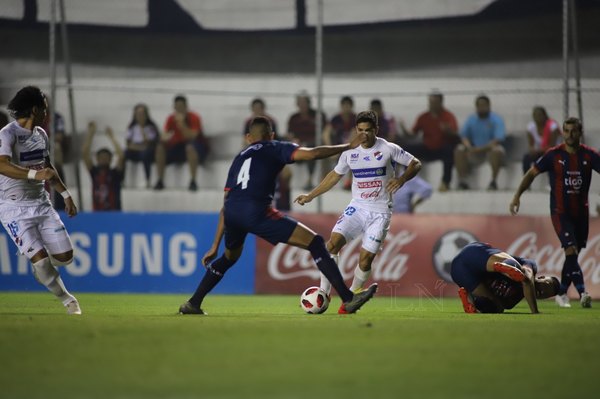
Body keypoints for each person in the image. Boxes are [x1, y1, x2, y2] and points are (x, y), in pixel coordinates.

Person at [179, 116, 378, 315]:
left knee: (228, 257)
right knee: (316, 242)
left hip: (232, 212)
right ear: (271, 135)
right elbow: (313, 154)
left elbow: (226, 202)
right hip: (256, 212)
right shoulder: (274, 147)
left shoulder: (239, 158)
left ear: (249, 137)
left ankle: (193, 303)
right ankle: (348, 298)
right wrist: (347, 146)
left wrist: (215, 245)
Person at [295, 110, 422, 296]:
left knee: (365, 260)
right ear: (356, 129)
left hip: (380, 212)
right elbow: (334, 176)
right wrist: (311, 195)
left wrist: (402, 179)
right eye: (360, 130)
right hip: (357, 207)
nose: (364, 134)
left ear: (376, 129)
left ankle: (352, 296)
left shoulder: (388, 148)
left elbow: (416, 163)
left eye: (369, 130)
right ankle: (324, 292)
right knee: (331, 245)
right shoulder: (349, 152)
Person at [0, 86, 81, 314]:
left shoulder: (41, 134)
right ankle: (68, 300)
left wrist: (65, 194)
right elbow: (1, 164)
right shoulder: (7, 134)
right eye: (45, 108)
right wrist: (35, 175)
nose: (47, 112)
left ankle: (41, 269)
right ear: (35, 109)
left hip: (42, 204)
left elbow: (47, 167)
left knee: (65, 257)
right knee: (43, 262)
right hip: (13, 208)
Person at [510, 117, 599, 308]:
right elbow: (532, 173)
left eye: (573, 131)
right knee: (570, 250)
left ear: (580, 132)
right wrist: (517, 195)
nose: (569, 134)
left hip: (581, 213)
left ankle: (561, 292)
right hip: (560, 212)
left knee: (572, 255)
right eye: (566, 131)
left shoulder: (589, 156)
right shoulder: (554, 155)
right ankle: (583, 292)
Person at [451, 242, 560, 314]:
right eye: (545, 285)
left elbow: (504, 305)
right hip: (475, 256)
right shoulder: (530, 264)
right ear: (541, 277)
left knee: (497, 306)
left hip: (459, 271)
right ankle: (503, 268)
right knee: (524, 276)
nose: (542, 291)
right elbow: (528, 278)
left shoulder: (512, 301)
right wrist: (535, 311)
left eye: (544, 294)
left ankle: (471, 304)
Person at [399, 90, 459, 192]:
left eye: (435, 102)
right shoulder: (424, 117)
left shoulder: (448, 116)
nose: (432, 105)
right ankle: (407, 179)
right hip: (427, 148)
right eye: (431, 102)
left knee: (449, 151)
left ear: (441, 102)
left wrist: (447, 131)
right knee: (406, 150)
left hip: (442, 148)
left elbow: (455, 134)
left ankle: (445, 182)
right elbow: (413, 134)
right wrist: (404, 130)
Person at [242, 98, 290, 210]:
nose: (258, 111)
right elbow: (244, 140)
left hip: (271, 154)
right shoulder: (248, 123)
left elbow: (276, 141)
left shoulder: (271, 122)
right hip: (255, 155)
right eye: (255, 109)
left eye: (260, 108)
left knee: (287, 173)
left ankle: (283, 200)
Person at [154, 95, 209, 191]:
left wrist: (182, 124)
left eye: (181, 107)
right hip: (178, 147)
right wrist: (165, 137)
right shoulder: (171, 118)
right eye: (177, 107)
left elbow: (192, 136)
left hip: (196, 146)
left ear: (186, 107)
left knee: (190, 148)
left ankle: (193, 181)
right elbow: (165, 135)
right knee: (159, 148)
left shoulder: (194, 117)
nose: (179, 109)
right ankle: (160, 180)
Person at [455, 95, 506, 190]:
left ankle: (493, 182)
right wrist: (469, 146)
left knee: (497, 150)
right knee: (459, 149)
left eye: (484, 105)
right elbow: (464, 136)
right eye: (479, 105)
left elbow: (497, 140)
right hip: (473, 150)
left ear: (489, 106)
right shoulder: (471, 119)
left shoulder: (496, 119)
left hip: (489, 151)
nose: (481, 108)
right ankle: (463, 181)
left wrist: (479, 149)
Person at [286, 90, 327, 190]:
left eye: (304, 102)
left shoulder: (317, 115)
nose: (302, 105)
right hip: (298, 145)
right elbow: (289, 134)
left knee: (311, 149)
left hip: (314, 144)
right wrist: (294, 140)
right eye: (300, 102)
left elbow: (325, 130)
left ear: (308, 103)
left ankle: (310, 179)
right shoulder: (293, 118)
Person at [82, 121, 125, 211]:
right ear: (97, 159)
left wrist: (111, 137)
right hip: (97, 214)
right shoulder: (94, 173)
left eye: (106, 158)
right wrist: (91, 134)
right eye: (101, 157)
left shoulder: (115, 174)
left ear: (110, 159)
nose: (103, 159)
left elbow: (121, 156)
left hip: (114, 213)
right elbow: (85, 154)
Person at [323, 96, 357, 190]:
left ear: (351, 106)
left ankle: (349, 182)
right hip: (337, 147)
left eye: (348, 106)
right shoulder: (336, 119)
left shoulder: (355, 119)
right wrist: (330, 148)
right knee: (322, 155)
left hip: (351, 147)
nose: (346, 108)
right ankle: (324, 182)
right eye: (344, 106)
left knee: (353, 155)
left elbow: (355, 135)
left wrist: (346, 148)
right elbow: (326, 133)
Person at [124, 103, 159, 188]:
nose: (140, 116)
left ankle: (147, 179)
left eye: (142, 114)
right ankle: (122, 180)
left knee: (146, 154)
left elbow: (149, 143)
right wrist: (139, 147)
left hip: (147, 151)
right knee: (123, 154)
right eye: (138, 114)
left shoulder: (151, 127)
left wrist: (142, 128)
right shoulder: (132, 127)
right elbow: (129, 144)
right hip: (135, 150)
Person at [522, 106, 561, 174]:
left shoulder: (552, 126)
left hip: (553, 152)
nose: (537, 117)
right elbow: (531, 145)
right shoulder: (531, 127)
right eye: (535, 115)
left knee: (551, 159)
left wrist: (538, 151)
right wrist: (532, 150)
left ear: (545, 115)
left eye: (540, 115)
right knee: (526, 158)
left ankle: (553, 183)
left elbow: (552, 146)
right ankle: (527, 180)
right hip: (540, 152)